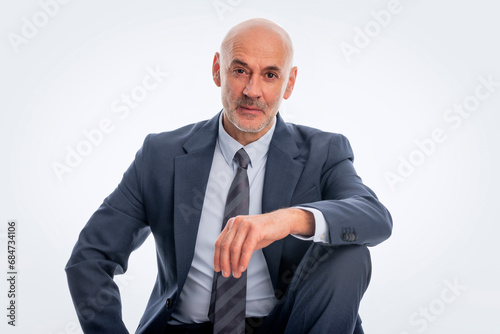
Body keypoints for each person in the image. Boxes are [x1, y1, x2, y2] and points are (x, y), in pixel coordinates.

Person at [65, 18, 392, 334]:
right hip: (184, 328)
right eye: (240, 71)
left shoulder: (323, 151)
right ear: (217, 70)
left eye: (270, 75)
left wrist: (287, 221)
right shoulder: (160, 155)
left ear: (289, 83)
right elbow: (91, 257)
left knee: (351, 253)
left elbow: (374, 218)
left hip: (286, 326)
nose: (253, 90)